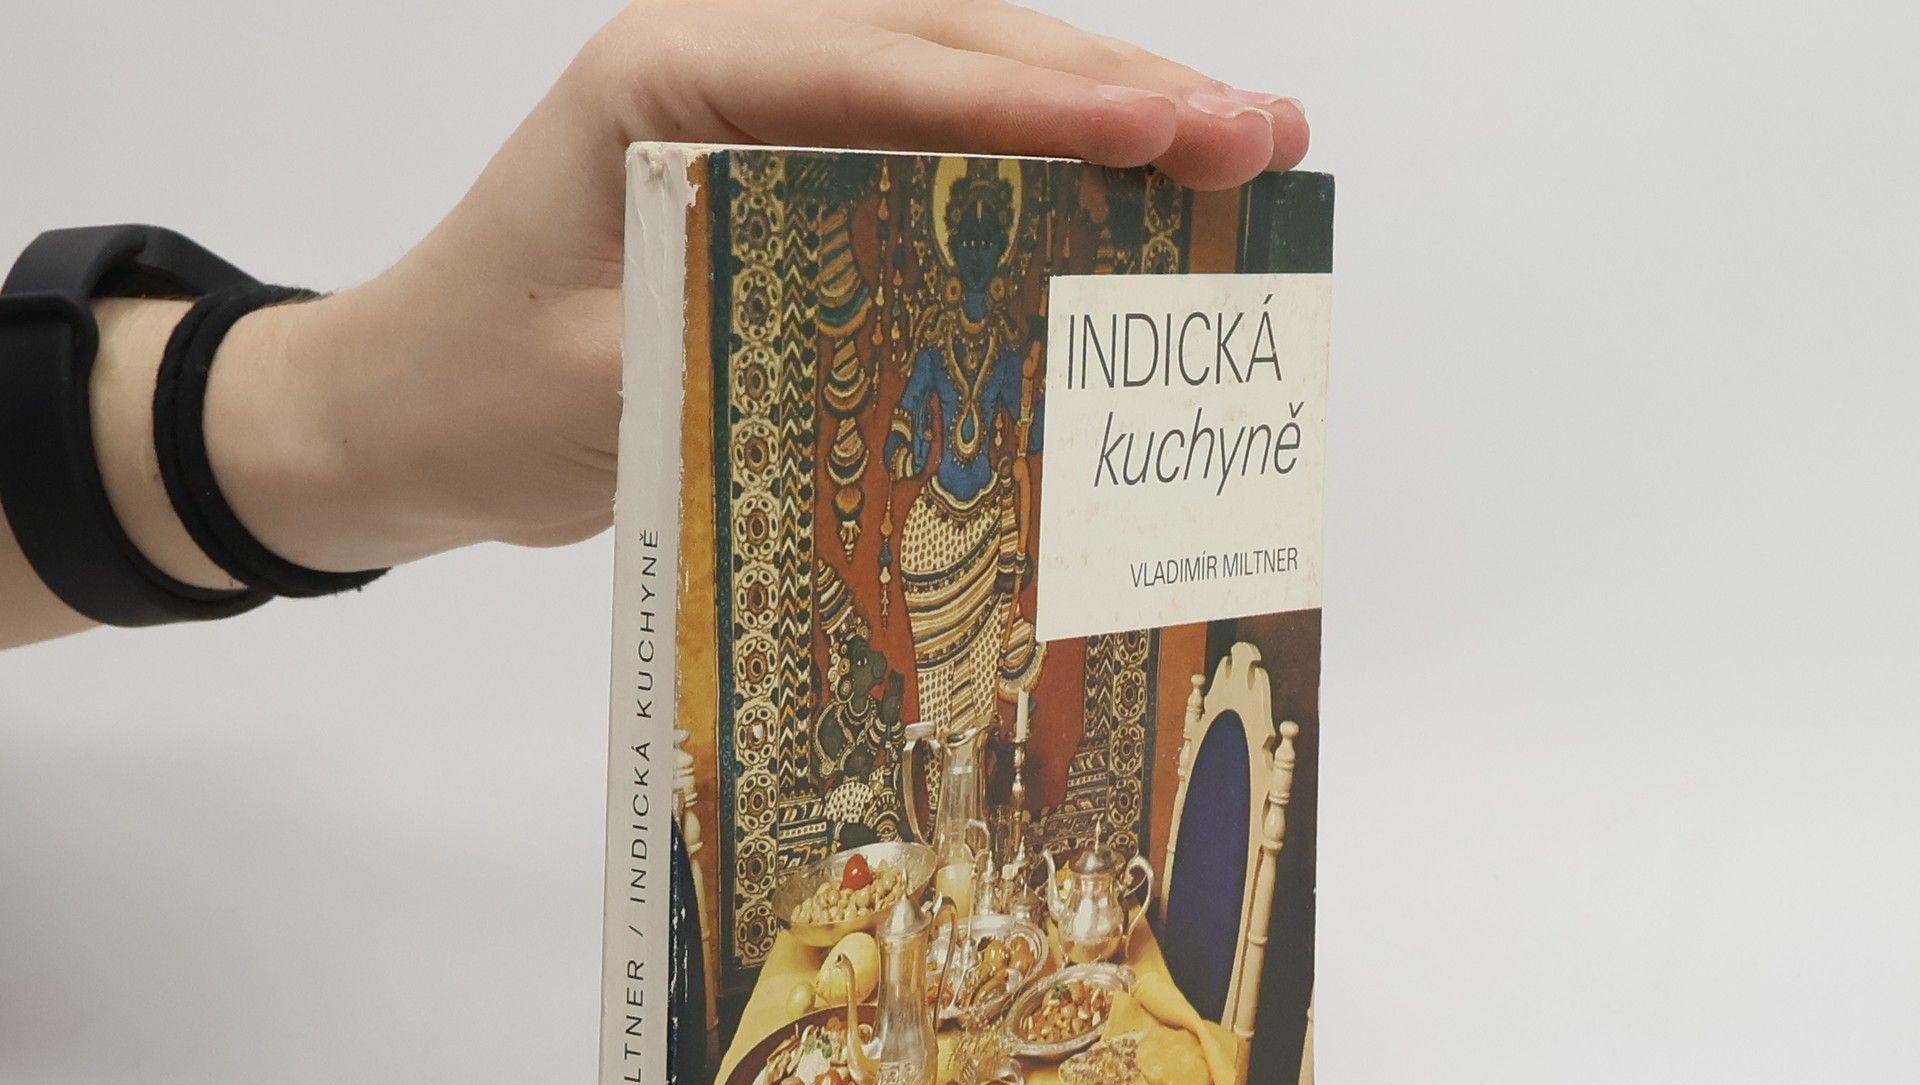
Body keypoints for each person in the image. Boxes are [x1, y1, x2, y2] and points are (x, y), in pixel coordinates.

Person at [0, 0, 1307, 652]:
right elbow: (889, 462)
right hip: (927, 565)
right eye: (960, 231)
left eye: (982, 234)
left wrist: (337, 423)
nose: (971, 250)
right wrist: (340, 423)